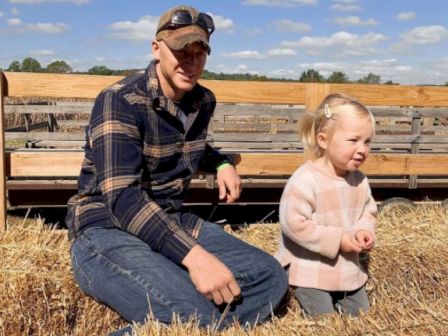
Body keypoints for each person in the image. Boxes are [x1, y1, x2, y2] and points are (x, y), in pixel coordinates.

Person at [65, 5, 288, 335]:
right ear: (157, 49)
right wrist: (195, 258)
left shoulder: (203, 102)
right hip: (106, 229)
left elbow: (186, 147)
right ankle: (197, 321)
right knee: (192, 318)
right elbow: (123, 199)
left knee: (270, 276)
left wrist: (222, 162)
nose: (191, 62)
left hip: (172, 219)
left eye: (199, 53)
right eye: (181, 50)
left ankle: (202, 322)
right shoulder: (120, 100)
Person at [275, 93, 377, 317]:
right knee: (324, 320)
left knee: (362, 317)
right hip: (309, 270)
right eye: (353, 140)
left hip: (346, 269)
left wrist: (363, 230)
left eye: (367, 141)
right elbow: (293, 224)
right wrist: (338, 239)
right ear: (323, 140)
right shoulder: (305, 179)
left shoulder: (360, 180)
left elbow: (368, 213)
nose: (362, 149)